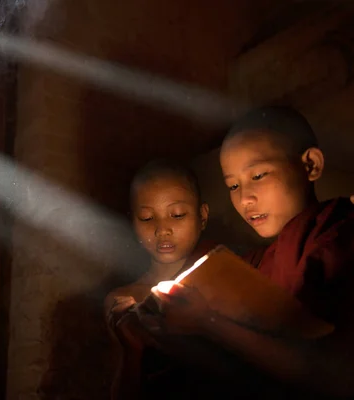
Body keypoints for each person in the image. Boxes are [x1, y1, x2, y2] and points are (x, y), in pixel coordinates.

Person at [150, 106, 354, 398]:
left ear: (310, 165)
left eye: (257, 175)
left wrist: (208, 322)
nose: (245, 198)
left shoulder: (339, 233)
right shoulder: (249, 264)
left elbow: (331, 373)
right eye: (233, 185)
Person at [104, 159, 214, 399]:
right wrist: (131, 350)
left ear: (202, 217)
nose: (162, 229)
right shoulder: (124, 300)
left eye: (177, 215)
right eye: (146, 218)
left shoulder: (218, 280)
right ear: (132, 222)